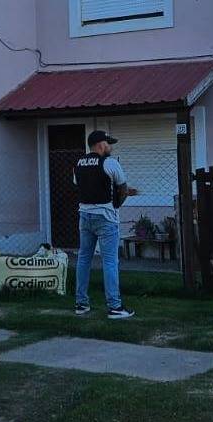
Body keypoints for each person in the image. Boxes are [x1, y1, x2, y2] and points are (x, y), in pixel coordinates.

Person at [73, 130, 137, 319]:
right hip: (106, 217)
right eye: (108, 143)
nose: (110, 147)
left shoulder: (78, 164)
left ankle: (81, 304)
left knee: (84, 259)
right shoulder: (110, 163)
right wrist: (116, 205)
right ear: (101, 145)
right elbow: (123, 190)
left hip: (84, 216)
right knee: (110, 261)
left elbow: (79, 186)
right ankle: (115, 307)